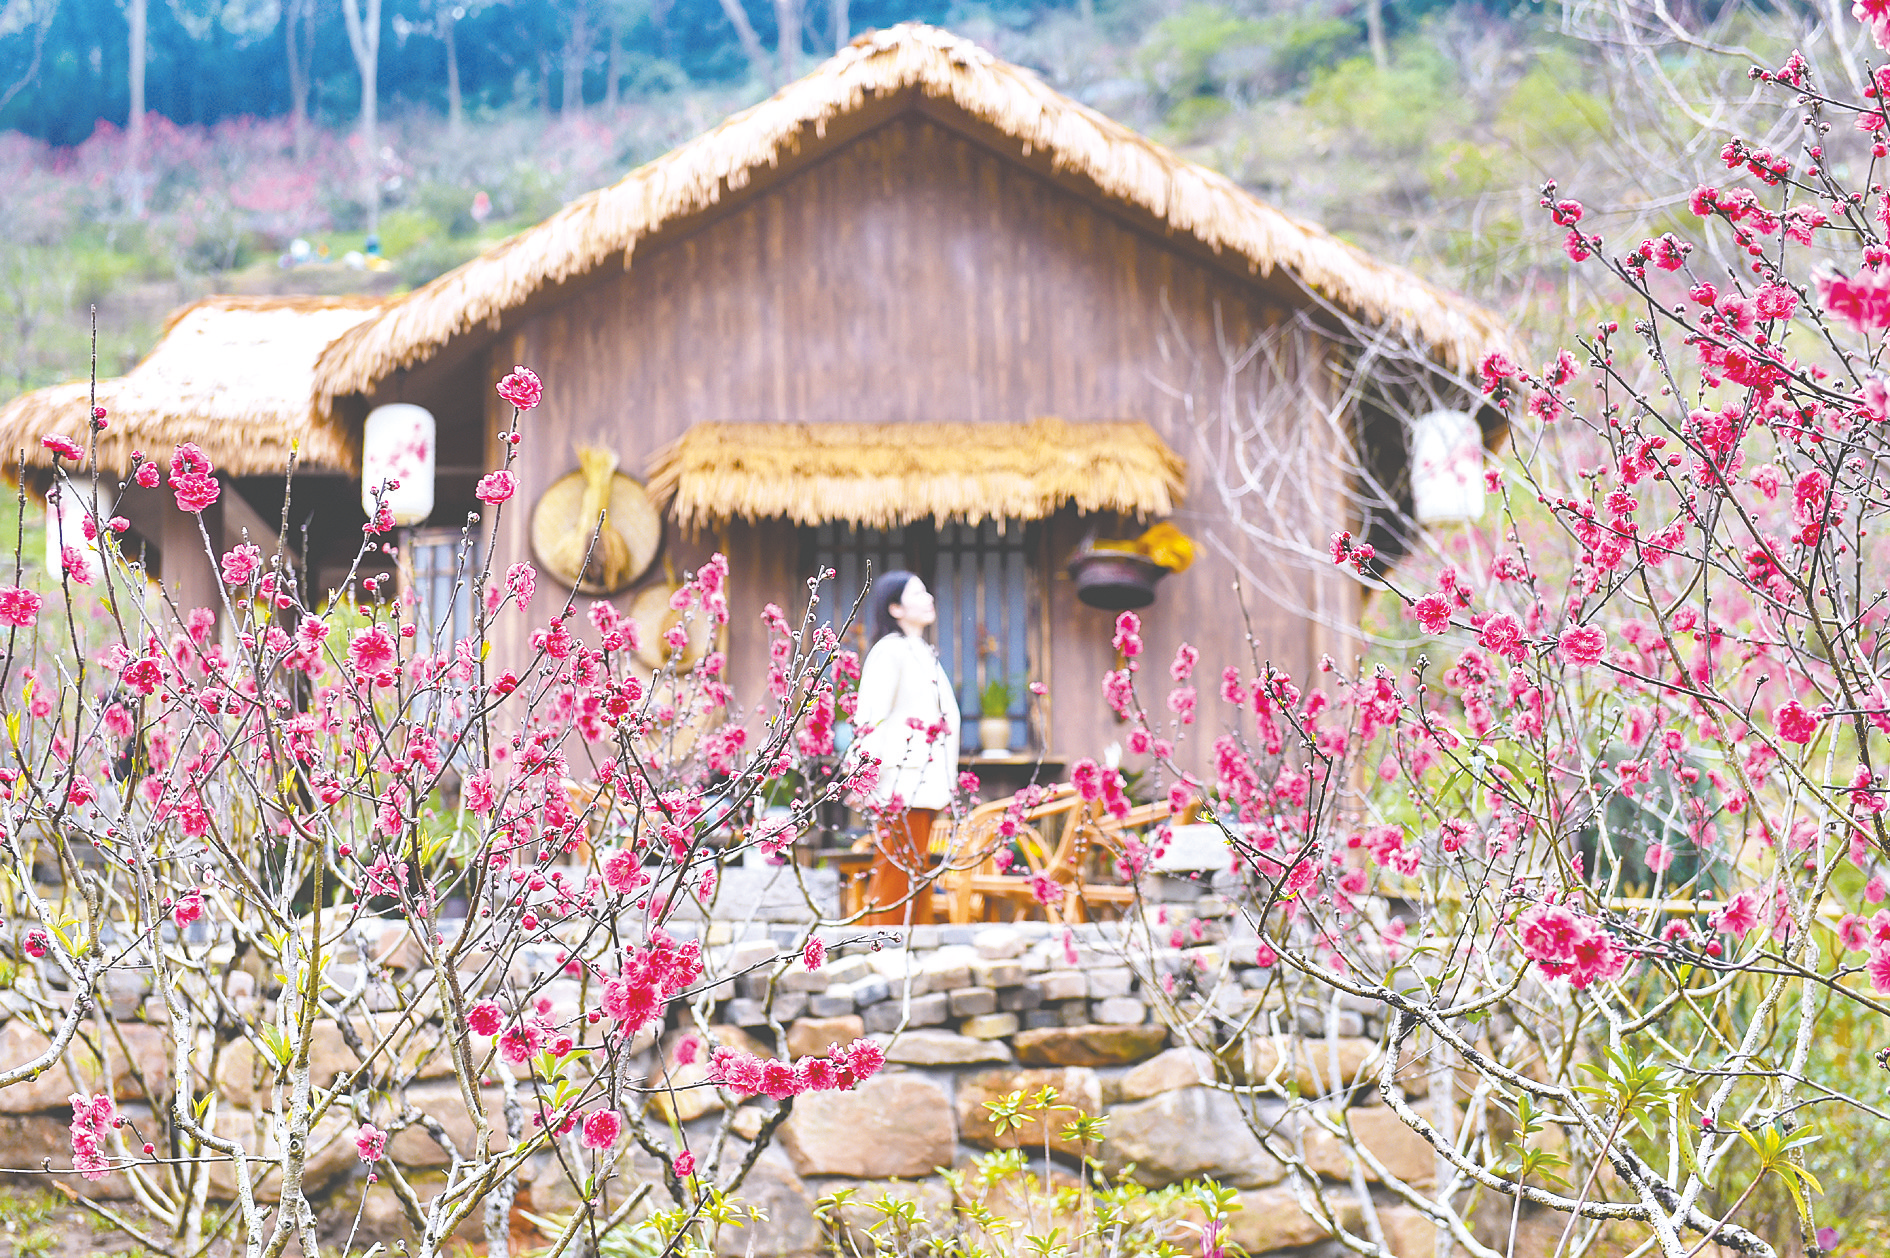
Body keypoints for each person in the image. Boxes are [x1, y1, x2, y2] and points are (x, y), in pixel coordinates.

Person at [849, 570, 960, 925]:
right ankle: (882, 954)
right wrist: (862, 774)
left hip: (925, 782)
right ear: (895, 608)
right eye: (917, 593)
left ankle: (913, 953)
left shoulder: (922, 652)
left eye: (927, 590)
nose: (929, 598)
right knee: (896, 873)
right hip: (899, 781)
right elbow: (871, 716)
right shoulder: (890, 651)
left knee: (917, 873)